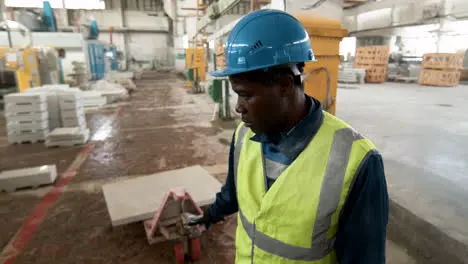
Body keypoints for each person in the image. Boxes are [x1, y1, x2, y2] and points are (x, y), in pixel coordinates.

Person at [189, 9, 389, 264]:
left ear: (284, 85)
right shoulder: (243, 136)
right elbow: (233, 193)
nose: (239, 106)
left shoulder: (357, 161)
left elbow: (364, 258)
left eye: (247, 95)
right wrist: (209, 216)